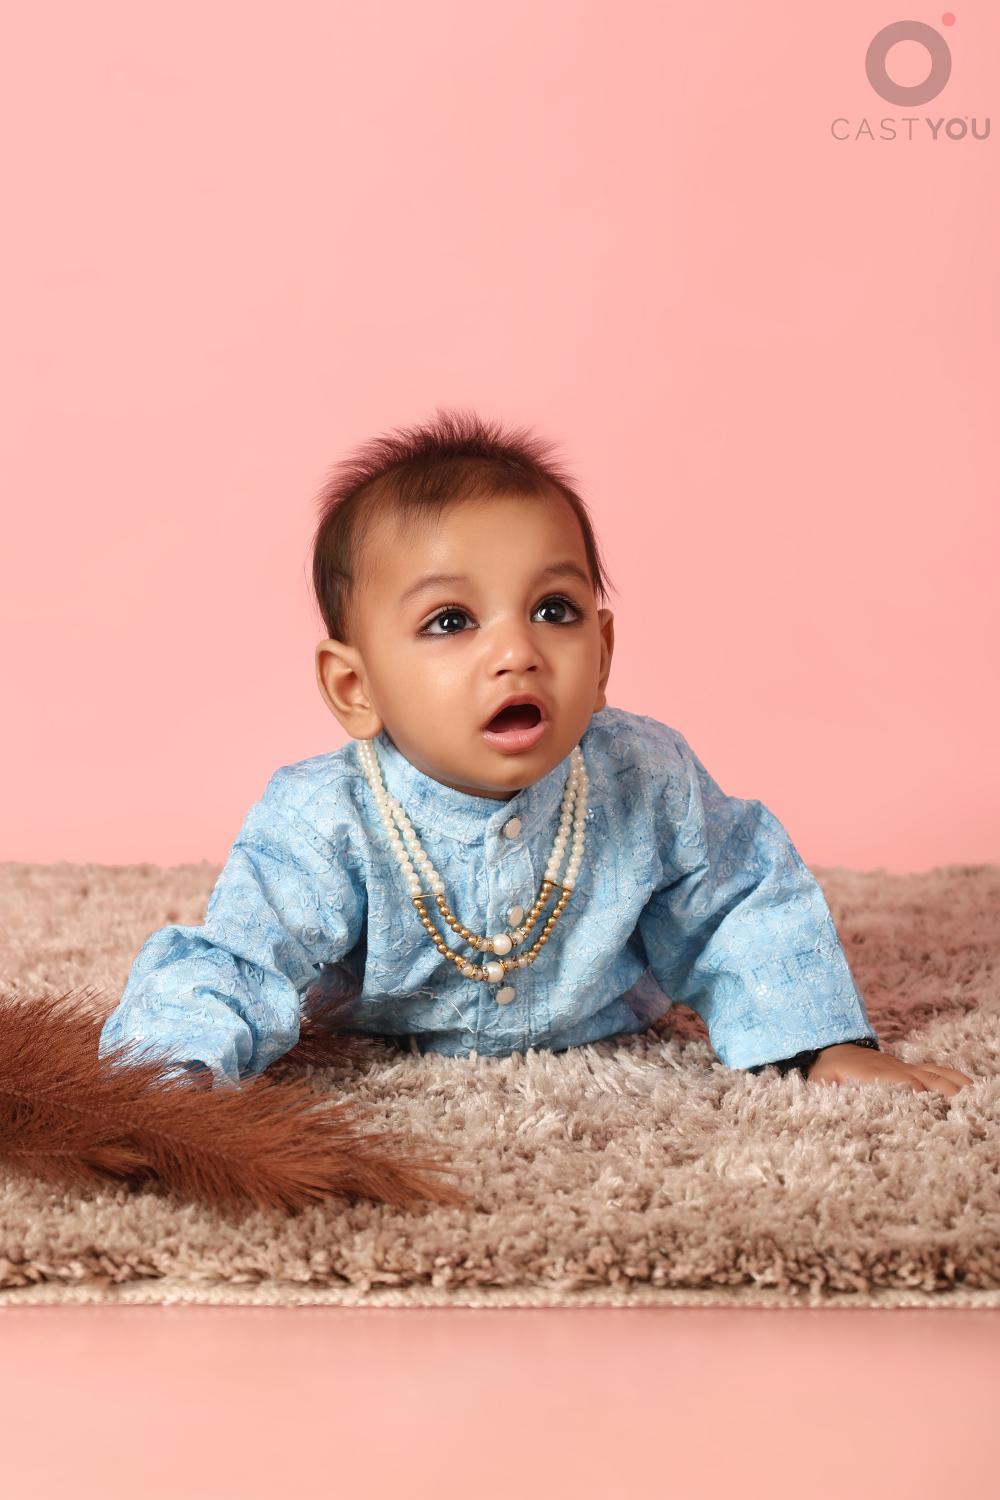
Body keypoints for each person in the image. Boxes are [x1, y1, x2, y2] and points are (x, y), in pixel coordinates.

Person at [98, 409, 973, 1100]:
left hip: (606, 1018)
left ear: (604, 655)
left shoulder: (644, 777)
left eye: (554, 610)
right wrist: (174, 1074)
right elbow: (238, 958)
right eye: (451, 621)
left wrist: (817, 1046)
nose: (517, 652)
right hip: (380, 1029)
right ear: (355, 687)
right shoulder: (325, 817)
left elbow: (738, 903)